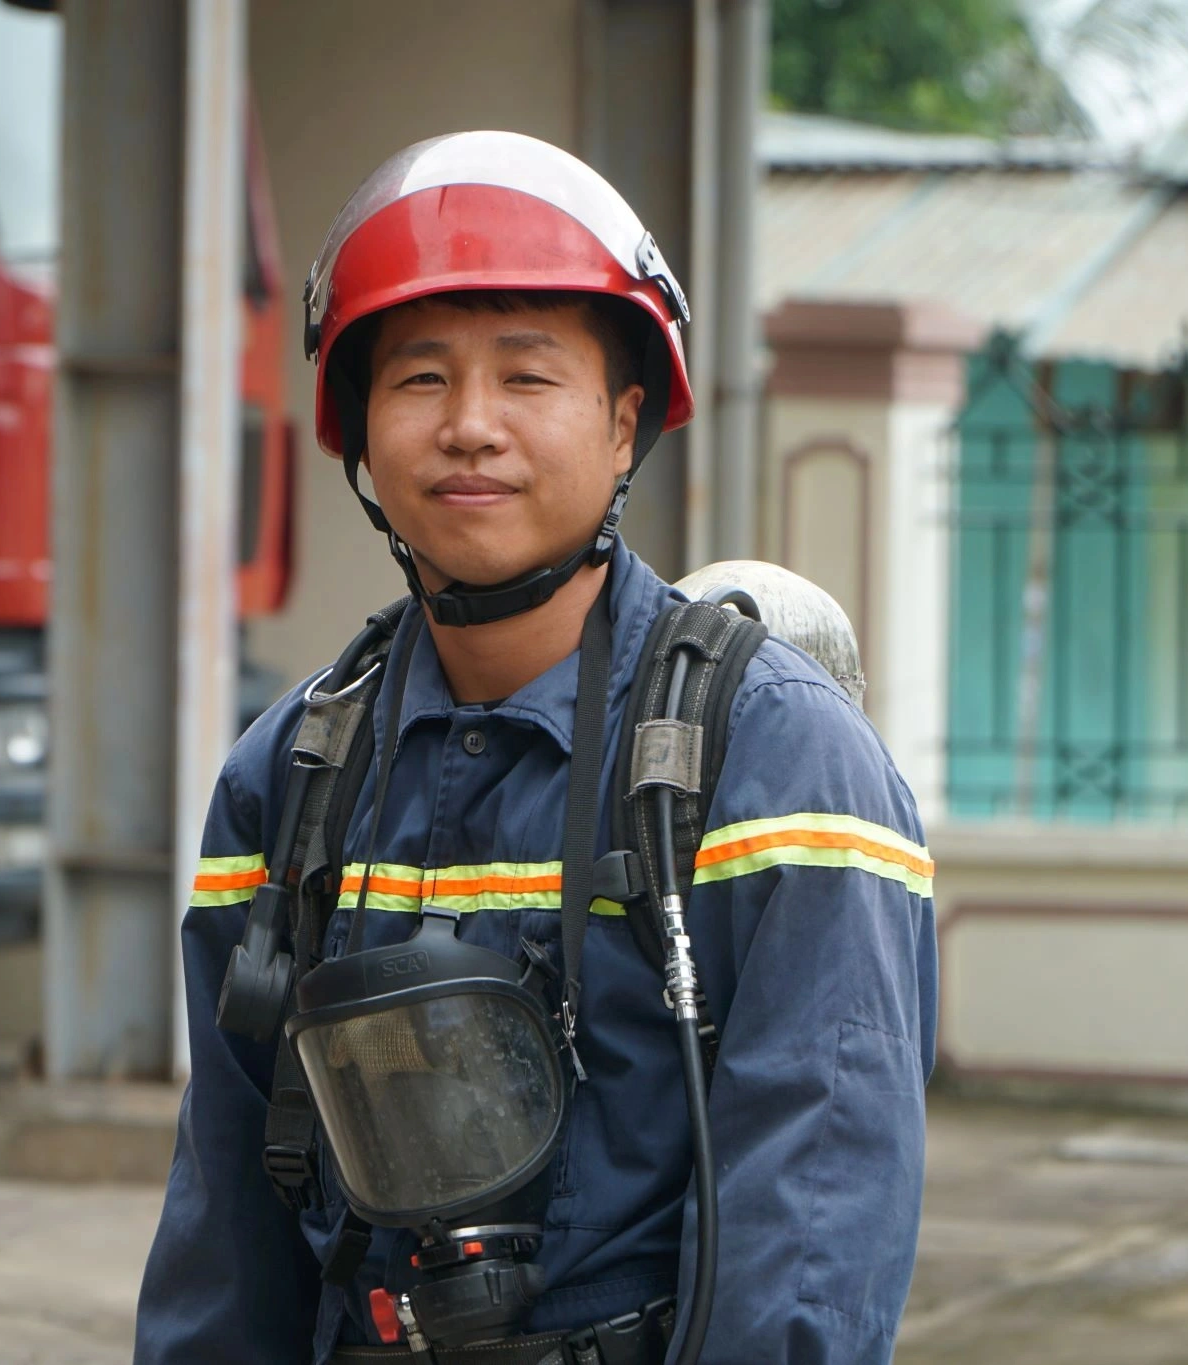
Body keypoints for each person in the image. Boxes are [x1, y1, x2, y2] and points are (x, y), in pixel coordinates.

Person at [135, 131, 936, 1365]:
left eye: (525, 377)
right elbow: (225, 1214)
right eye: (417, 381)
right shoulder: (291, 772)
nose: (468, 428)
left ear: (623, 425)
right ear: (352, 432)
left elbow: (811, 1222)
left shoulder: (774, 758)